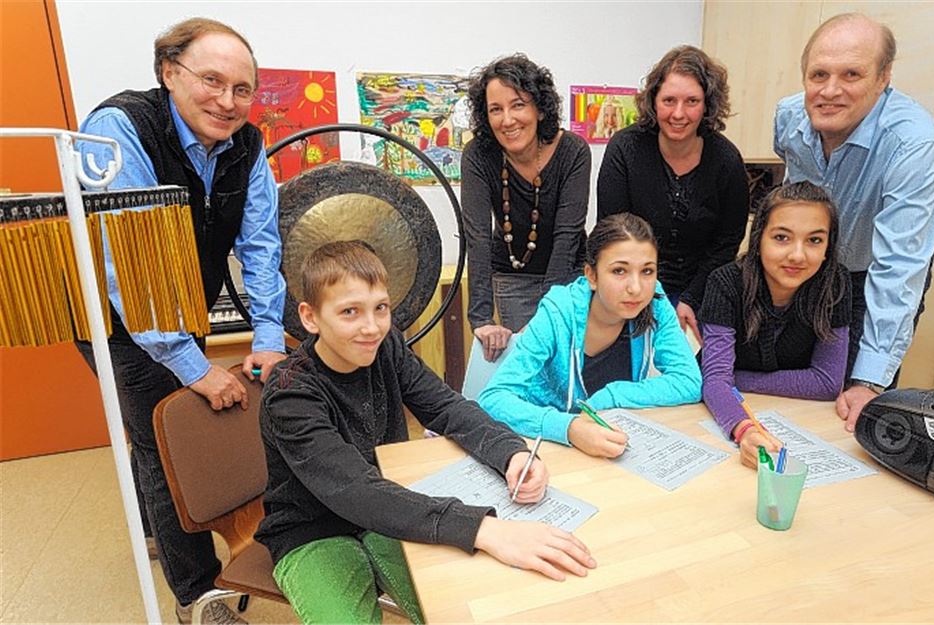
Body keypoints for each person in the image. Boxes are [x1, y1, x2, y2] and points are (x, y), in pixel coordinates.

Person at [256, 241, 596, 624]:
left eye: (381, 308)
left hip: (393, 508)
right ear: (310, 317)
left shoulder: (386, 347)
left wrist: (510, 452)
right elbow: (353, 489)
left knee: (464, 609)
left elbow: (447, 407)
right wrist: (484, 528)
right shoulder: (289, 393)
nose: (372, 327)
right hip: (311, 532)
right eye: (350, 312)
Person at [74, 18, 286, 624]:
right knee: (163, 442)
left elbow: (261, 246)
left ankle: (155, 529)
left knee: (161, 428)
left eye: (242, 89)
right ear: (169, 72)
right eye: (212, 81)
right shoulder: (117, 129)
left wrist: (269, 336)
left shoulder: (247, 145)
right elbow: (132, 266)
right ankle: (197, 594)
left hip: (182, 306)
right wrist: (193, 367)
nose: (228, 102)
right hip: (114, 317)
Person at [773, 13, 934, 432]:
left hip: (876, 270)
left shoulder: (912, 139)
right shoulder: (789, 117)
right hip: (815, 265)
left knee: (854, 401)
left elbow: (899, 267)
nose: (830, 91)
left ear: (884, 77)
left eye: (851, 74)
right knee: (800, 382)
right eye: (819, 74)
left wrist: (869, 380)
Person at [478, 213, 702, 459]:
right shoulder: (558, 312)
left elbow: (688, 381)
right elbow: (493, 399)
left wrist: (612, 395)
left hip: (603, 443)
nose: (636, 288)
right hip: (540, 445)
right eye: (619, 271)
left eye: (647, 271)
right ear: (592, 276)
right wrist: (570, 428)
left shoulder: (654, 301)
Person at [597, 45, 749, 343]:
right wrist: (650, 297)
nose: (679, 114)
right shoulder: (625, 149)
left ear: (707, 104)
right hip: (634, 286)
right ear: (653, 101)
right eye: (669, 100)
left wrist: (691, 298)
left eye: (692, 101)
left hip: (704, 290)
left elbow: (727, 242)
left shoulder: (726, 159)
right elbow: (614, 231)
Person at [699, 182, 852, 469]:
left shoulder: (835, 283)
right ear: (759, 239)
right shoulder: (725, 282)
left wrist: (735, 378)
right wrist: (744, 430)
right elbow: (716, 380)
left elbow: (828, 383)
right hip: (728, 410)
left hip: (797, 415)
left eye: (814, 240)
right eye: (782, 238)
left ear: (828, 247)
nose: (797, 255)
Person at [462, 54, 591, 362]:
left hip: (570, 277)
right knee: (530, 367)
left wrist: (547, 312)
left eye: (518, 105)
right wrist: (480, 319)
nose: (507, 120)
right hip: (513, 278)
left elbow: (568, 235)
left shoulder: (573, 151)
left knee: (568, 366)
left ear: (540, 108)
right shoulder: (478, 155)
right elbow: (477, 237)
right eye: (496, 109)